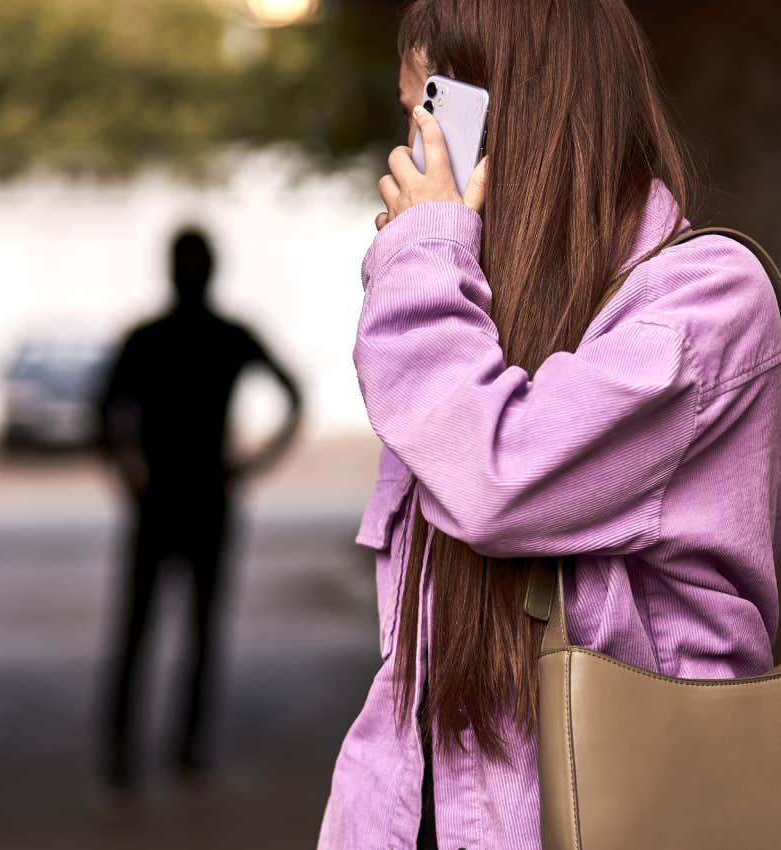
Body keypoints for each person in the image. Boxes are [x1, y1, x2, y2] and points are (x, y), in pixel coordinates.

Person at [317, 2, 781, 849]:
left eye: (426, 112)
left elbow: (498, 475)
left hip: (629, 807)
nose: (409, 151)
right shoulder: (474, 322)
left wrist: (425, 253)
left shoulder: (707, 300)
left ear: (503, 111)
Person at [98, 226, 303, 789]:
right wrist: (252, 465)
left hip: (160, 500)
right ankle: (186, 755)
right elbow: (294, 396)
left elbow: (104, 413)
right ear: (214, 270)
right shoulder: (228, 337)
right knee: (199, 632)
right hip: (209, 497)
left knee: (138, 631)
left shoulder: (147, 338)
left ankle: (124, 763)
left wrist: (129, 472)